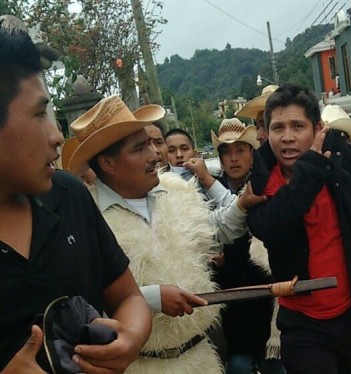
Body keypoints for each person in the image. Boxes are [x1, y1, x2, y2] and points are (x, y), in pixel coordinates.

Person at [0, 23, 151, 373]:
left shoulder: (69, 196)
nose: (56, 136)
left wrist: (131, 338)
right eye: (40, 114)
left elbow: (129, 297)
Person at [66, 94, 246, 373]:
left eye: (151, 144)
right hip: (140, 366)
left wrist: (245, 203)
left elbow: (218, 230)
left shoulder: (177, 190)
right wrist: (152, 298)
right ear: (107, 163)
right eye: (139, 149)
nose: (153, 155)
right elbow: (82, 302)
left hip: (201, 359)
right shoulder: (86, 218)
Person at [247, 83, 351, 374]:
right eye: (278, 128)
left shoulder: (344, 160)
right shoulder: (261, 183)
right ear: (266, 132)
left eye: (297, 126)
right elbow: (272, 226)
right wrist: (311, 165)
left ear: (318, 128)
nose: (287, 137)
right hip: (302, 322)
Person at [210, 119, 285, 374]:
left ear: (252, 156)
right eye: (227, 152)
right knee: (238, 364)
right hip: (230, 297)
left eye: (240, 150)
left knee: (274, 365)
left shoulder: (268, 188)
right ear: (220, 160)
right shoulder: (203, 194)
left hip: (267, 291)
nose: (234, 158)